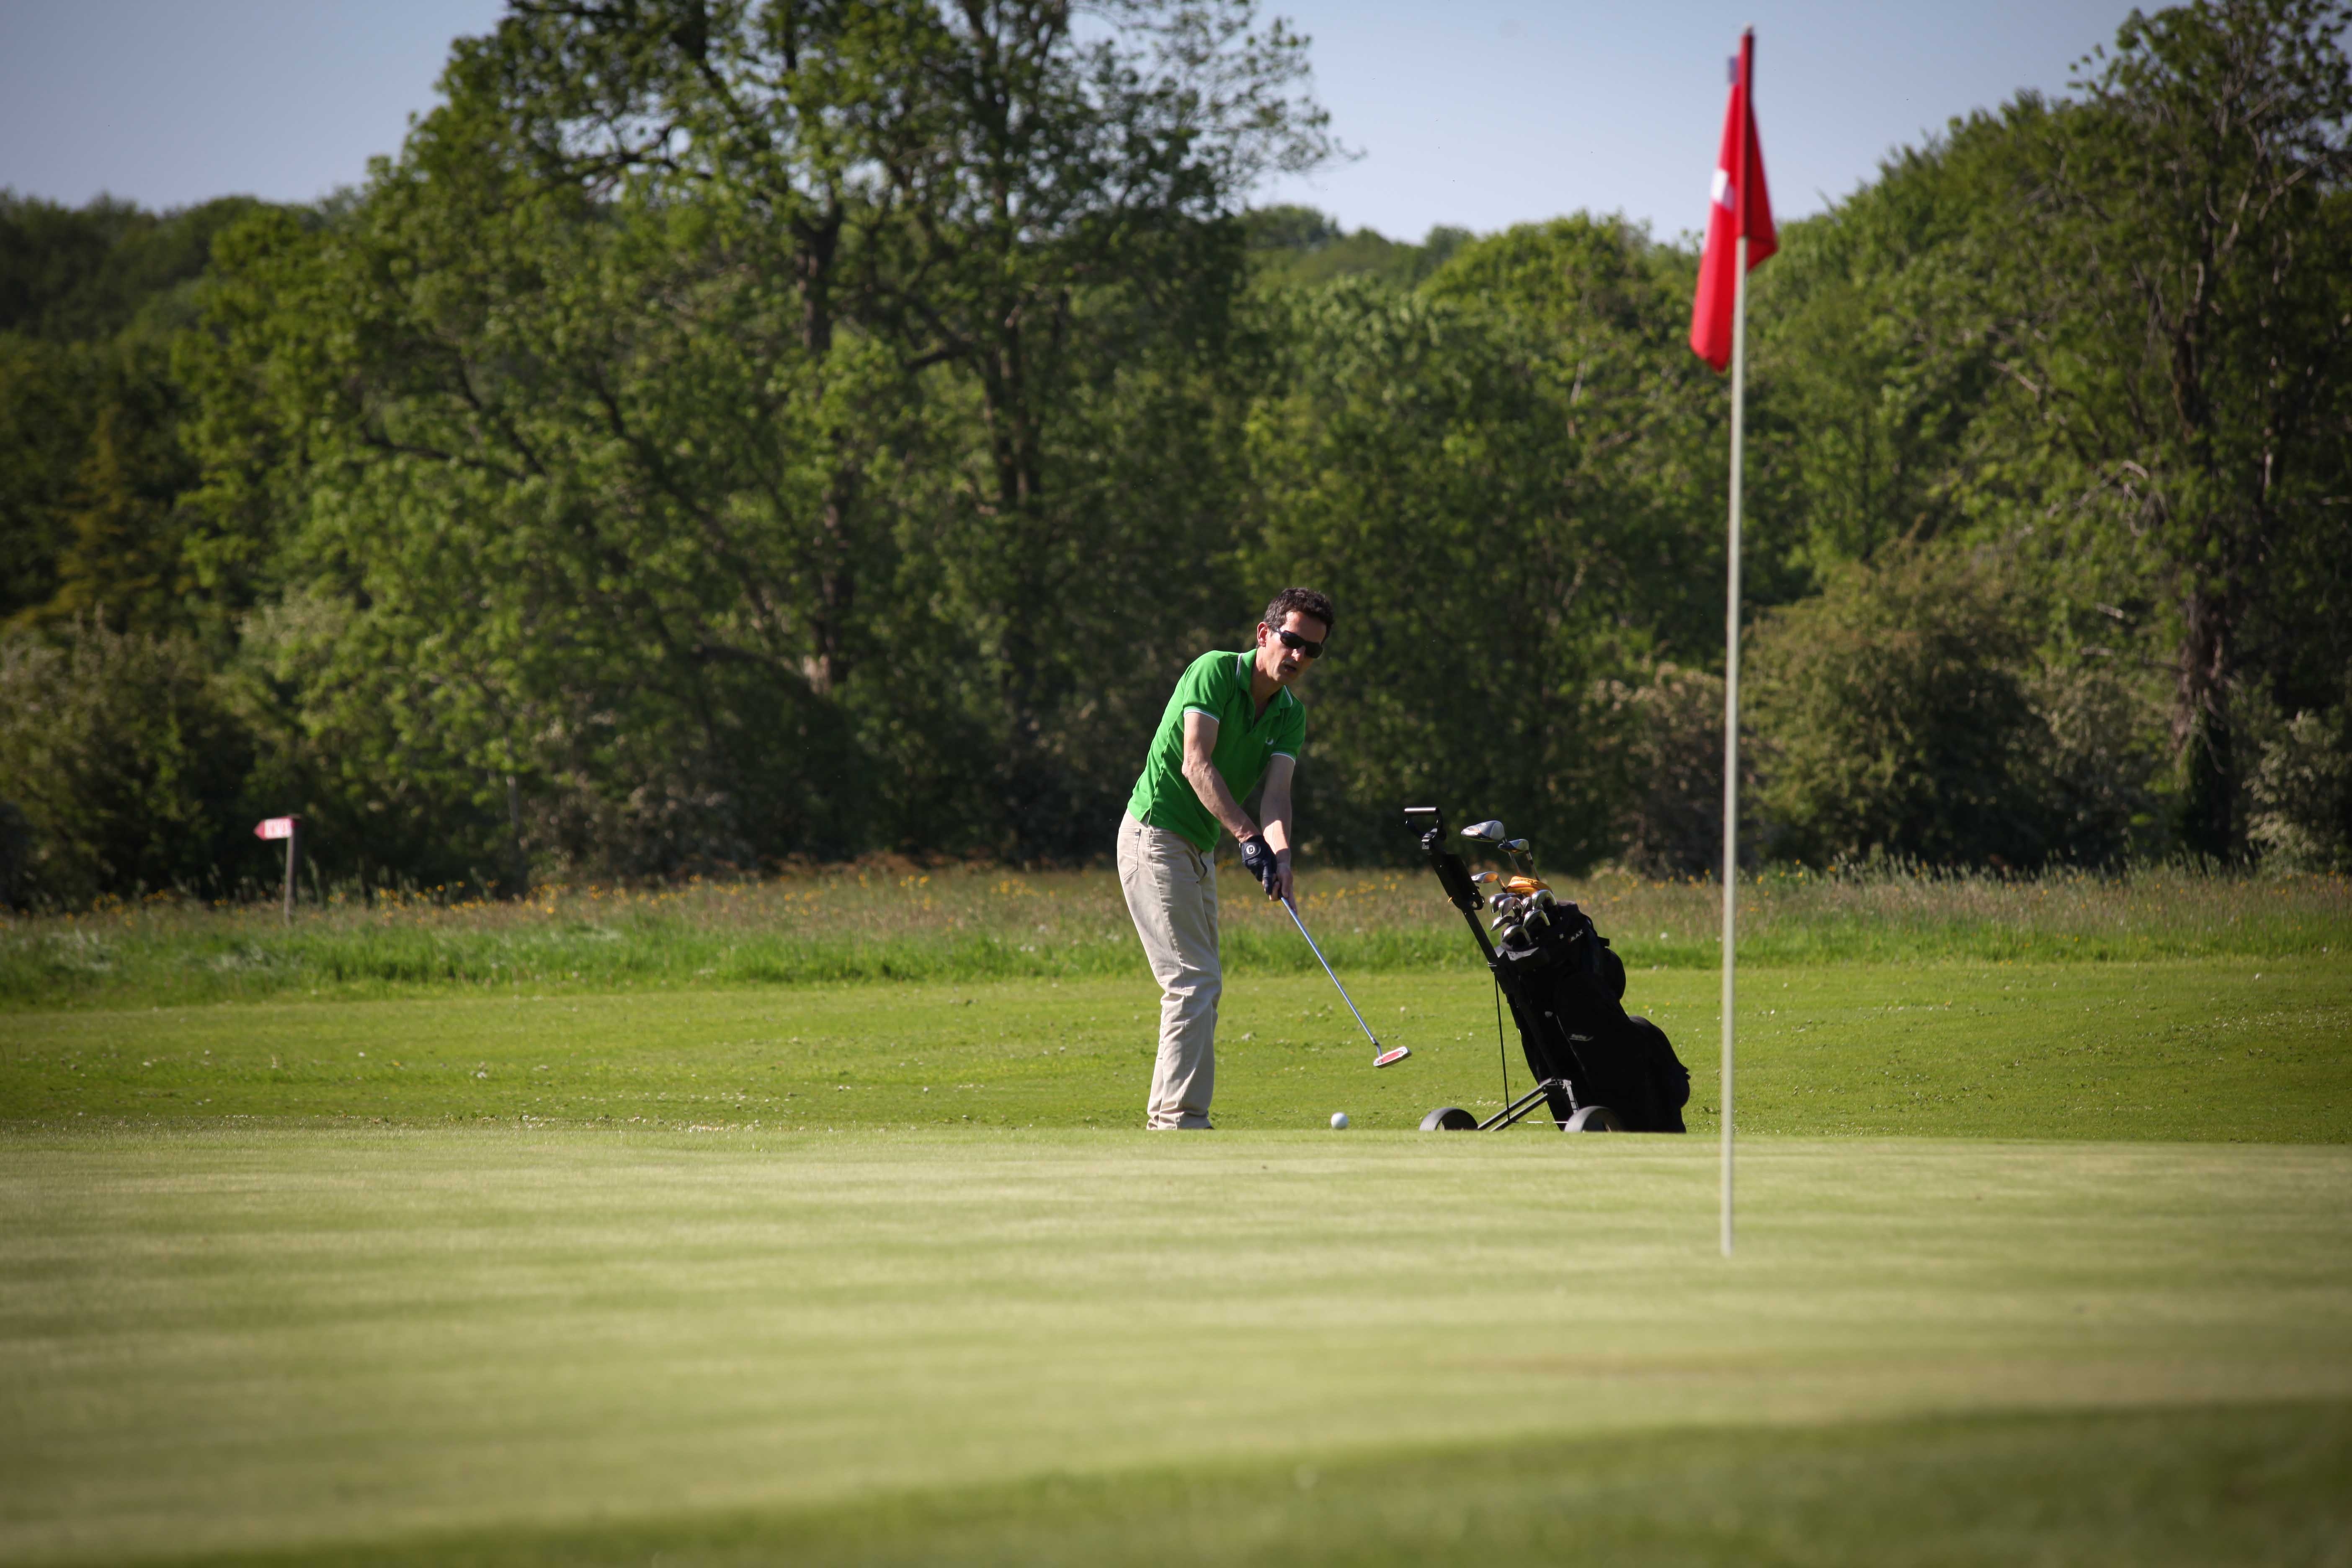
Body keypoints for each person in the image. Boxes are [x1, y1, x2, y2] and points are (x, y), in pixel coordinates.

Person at [1117, 587, 1334, 1129]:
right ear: (1265, 635)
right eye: (1292, 642)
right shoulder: (1213, 672)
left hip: (1198, 848)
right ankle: (1180, 1121)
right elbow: (1197, 764)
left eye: (1313, 651)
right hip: (1155, 835)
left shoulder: (1289, 715)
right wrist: (1246, 837)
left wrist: (1281, 858)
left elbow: (1277, 797)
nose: (1299, 657)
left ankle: (1168, 1116)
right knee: (1194, 979)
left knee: (1199, 984)